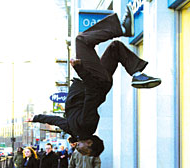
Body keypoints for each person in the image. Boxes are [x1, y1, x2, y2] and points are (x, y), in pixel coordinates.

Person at [27, 3, 161, 157]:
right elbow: (91, 93)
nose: (81, 152)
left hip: (98, 82)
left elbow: (56, 120)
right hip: (94, 82)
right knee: (81, 41)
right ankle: (122, 29)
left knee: (115, 48)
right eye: (85, 152)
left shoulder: (75, 130)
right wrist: (80, 69)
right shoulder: (87, 125)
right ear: (90, 143)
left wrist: (36, 118)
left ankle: (137, 74)